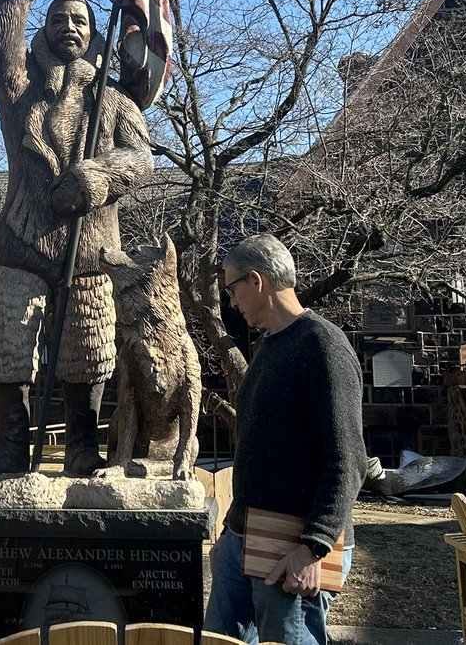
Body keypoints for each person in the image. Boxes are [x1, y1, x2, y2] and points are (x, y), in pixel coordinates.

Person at [0, 0, 154, 477]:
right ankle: (8, 444)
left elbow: (142, 160)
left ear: (94, 34)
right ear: (44, 31)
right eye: (58, 19)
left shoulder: (114, 100)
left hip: (92, 247)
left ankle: (81, 446)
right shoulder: (20, 88)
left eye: (79, 20)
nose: (68, 27)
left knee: (86, 348)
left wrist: (96, 179)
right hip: (24, 241)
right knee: (8, 342)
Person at [204, 234, 366, 645]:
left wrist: (314, 548)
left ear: (256, 281)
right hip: (243, 541)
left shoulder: (322, 346)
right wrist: (231, 533)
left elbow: (347, 460)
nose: (232, 302)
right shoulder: (269, 347)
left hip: (292, 549)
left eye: (231, 289)